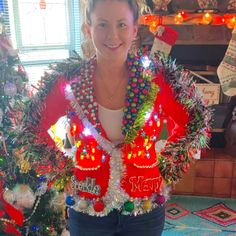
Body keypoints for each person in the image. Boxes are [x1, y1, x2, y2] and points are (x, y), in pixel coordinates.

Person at [18, 0, 211, 235]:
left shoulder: (156, 78)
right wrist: (61, 170)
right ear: (88, 28)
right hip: (88, 207)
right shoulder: (69, 82)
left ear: (134, 29)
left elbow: (196, 120)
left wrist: (168, 165)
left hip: (145, 208)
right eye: (102, 24)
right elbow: (29, 126)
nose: (112, 35)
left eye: (121, 24)